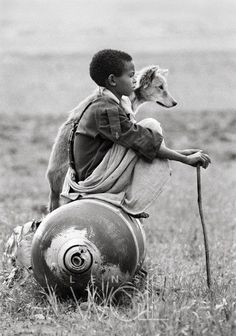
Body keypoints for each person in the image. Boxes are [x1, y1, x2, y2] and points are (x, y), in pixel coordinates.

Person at [61, 49, 211, 216]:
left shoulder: (107, 102)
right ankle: (129, 206)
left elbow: (136, 139)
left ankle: (123, 204)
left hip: (91, 175)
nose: (135, 80)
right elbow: (140, 140)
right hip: (91, 182)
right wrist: (183, 159)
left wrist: (178, 153)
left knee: (144, 136)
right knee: (150, 126)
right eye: (131, 76)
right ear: (112, 80)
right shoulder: (106, 109)